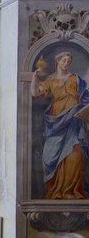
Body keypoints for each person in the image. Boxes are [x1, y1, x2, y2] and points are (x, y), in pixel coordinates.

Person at [32, 51, 89, 199]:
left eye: (68, 62)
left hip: (74, 121)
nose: (66, 64)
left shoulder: (75, 79)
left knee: (75, 153)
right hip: (57, 121)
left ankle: (71, 191)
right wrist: (34, 77)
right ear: (57, 61)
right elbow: (35, 93)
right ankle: (56, 191)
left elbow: (86, 96)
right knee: (49, 156)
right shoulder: (50, 80)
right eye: (64, 61)